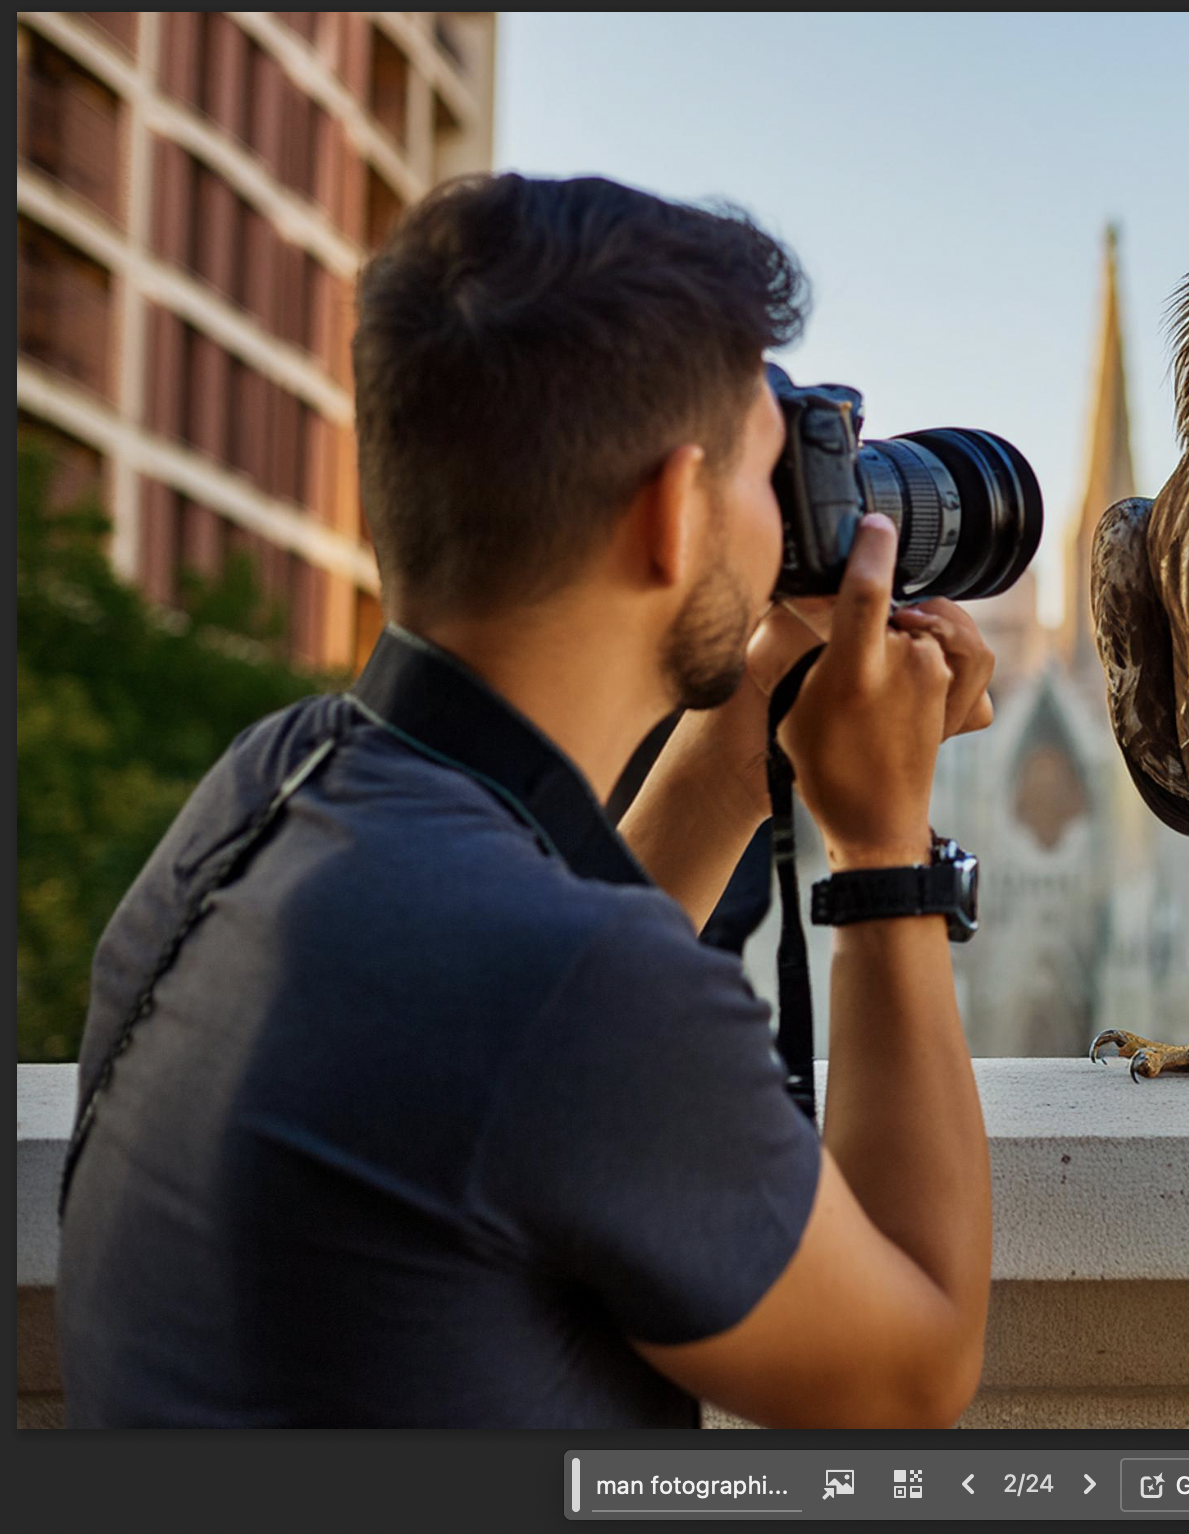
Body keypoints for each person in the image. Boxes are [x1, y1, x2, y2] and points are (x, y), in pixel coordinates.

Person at [55, 173, 996, 1428]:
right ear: (671, 511)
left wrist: (747, 720)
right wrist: (884, 847)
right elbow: (911, 1372)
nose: (791, 527)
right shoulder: (572, 987)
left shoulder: (272, 781)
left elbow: (548, 984)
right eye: (771, 478)